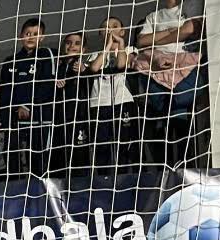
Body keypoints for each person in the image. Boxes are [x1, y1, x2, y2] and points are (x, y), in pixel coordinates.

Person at [135, 0, 204, 167]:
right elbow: (142, 41)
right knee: (162, 119)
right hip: (158, 70)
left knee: (181, 119)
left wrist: (156, 40)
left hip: (186, 69)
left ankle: (184, 164)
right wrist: (174, 32)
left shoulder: (190, 7)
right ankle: (163, 166)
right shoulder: (153, 16)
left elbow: (190, 29)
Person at [0, 19, 57, 176]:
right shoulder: (10, 61)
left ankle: (39, 187)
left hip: (39, 117)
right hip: (14, 119)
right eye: (27, 33)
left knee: (37, 157)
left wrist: (27, 105)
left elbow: (47, 85)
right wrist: (2, 118)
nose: (31, 37)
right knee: (11, 154)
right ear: (21, 36)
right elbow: (5, 91)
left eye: (36, 34)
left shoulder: (47, 55)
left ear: (42, 37)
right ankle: (14, 186)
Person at [87, 16, 139, 172]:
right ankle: (103, 177)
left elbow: (121, 64)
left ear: (122, 31)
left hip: (122, 100)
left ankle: (123, 177)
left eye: (114, 26)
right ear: (100, 34)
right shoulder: (95, 55)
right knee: (102, 143)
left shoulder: (129, 50)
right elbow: (94, 68)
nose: (110, 29)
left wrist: (120, 44)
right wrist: (108, 46)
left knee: (123, 142)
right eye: (105, 28)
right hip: (99, 103)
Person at [52, 32, 91, 174]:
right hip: (59, 119)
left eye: (77, 43)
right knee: (59, 158)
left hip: (79, 118)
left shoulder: (86, 66)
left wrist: (84, 72)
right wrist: (55, 84)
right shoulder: (56, 67)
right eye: (68, 42)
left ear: (84, 49)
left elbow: (91, 86)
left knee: (79, 157)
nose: (72, 46)